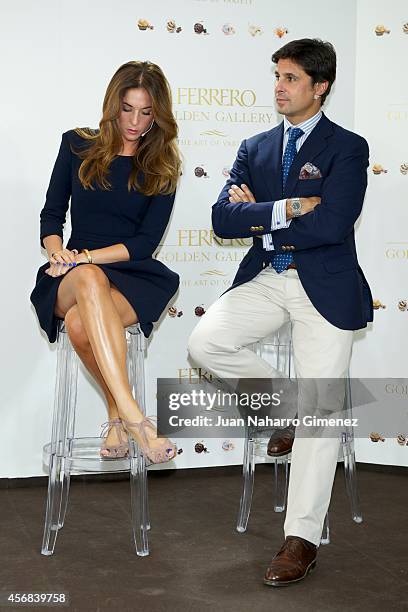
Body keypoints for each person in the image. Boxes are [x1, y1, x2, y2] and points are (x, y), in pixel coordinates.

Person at [188, 39, 372, 585]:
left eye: (291, 78)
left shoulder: (348, 148)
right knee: (205, 342)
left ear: (321, 87)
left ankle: (301, 539)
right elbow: (223, 220)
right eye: (277, 75)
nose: (279, 86)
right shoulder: (256, 146)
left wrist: (258, 216)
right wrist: (288, 208)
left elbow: (333, 225)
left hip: (326, 286)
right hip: (269, 277)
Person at [30, 60, 181, 464]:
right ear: (112, 104)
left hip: (131, 273)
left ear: (158, 114)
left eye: (145, 112)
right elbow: (51, 214)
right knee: (89, 279)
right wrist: (57, 251)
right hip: (71, 276)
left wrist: (87, 257)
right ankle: (137, 419)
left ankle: (116, 414)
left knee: (81, 323)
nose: (134, 121)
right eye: (127, 108)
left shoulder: (163, 165)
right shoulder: (76, 144)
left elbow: (145, 243)